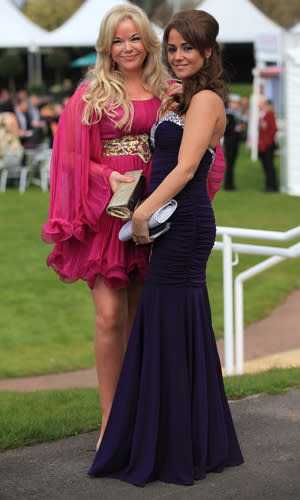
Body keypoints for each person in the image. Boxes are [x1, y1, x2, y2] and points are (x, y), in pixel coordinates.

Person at [89, 9, 243, 486]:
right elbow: (165, 156)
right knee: (170, 327)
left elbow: (184, 169)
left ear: (209, 52)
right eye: (172, 48)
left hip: (183, 222)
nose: (177, 57)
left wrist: (141, 214)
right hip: (173, 222)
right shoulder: (187, 99)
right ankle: (181, 437)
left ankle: (175, 446)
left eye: (187, 49)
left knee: (168, 325)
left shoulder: (208, 102)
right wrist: (172, 107)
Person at [41, 3, 174, 453]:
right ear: (107, 46)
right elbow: (70, 158)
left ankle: (141, 417)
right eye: (118, 40)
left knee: (141, 319)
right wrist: (108, 178)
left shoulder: (167, 90)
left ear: (147, 41)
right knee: (110, 315)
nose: (127, 47)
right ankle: (109, 420)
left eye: (134, 37)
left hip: (155, 211)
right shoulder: (92, 93)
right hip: (107, 216)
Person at [258, 96, 278, 192]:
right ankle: (269, 185)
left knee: (270, 166)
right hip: (262, 145)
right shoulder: (262, 115)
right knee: (266, 166)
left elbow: (273, 129)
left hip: (267, 145)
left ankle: (272, 186)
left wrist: (267, 142)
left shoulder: (269, 114)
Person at [223, 93, 242, 190]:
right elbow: (228, 130)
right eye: (235, 103)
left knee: (231, 164)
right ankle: (228, 185)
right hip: (230, 142)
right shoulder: (229, 115)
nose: (237, 105)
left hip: (234, 141)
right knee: (230, 164)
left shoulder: (234, 114)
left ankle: (230, 184)